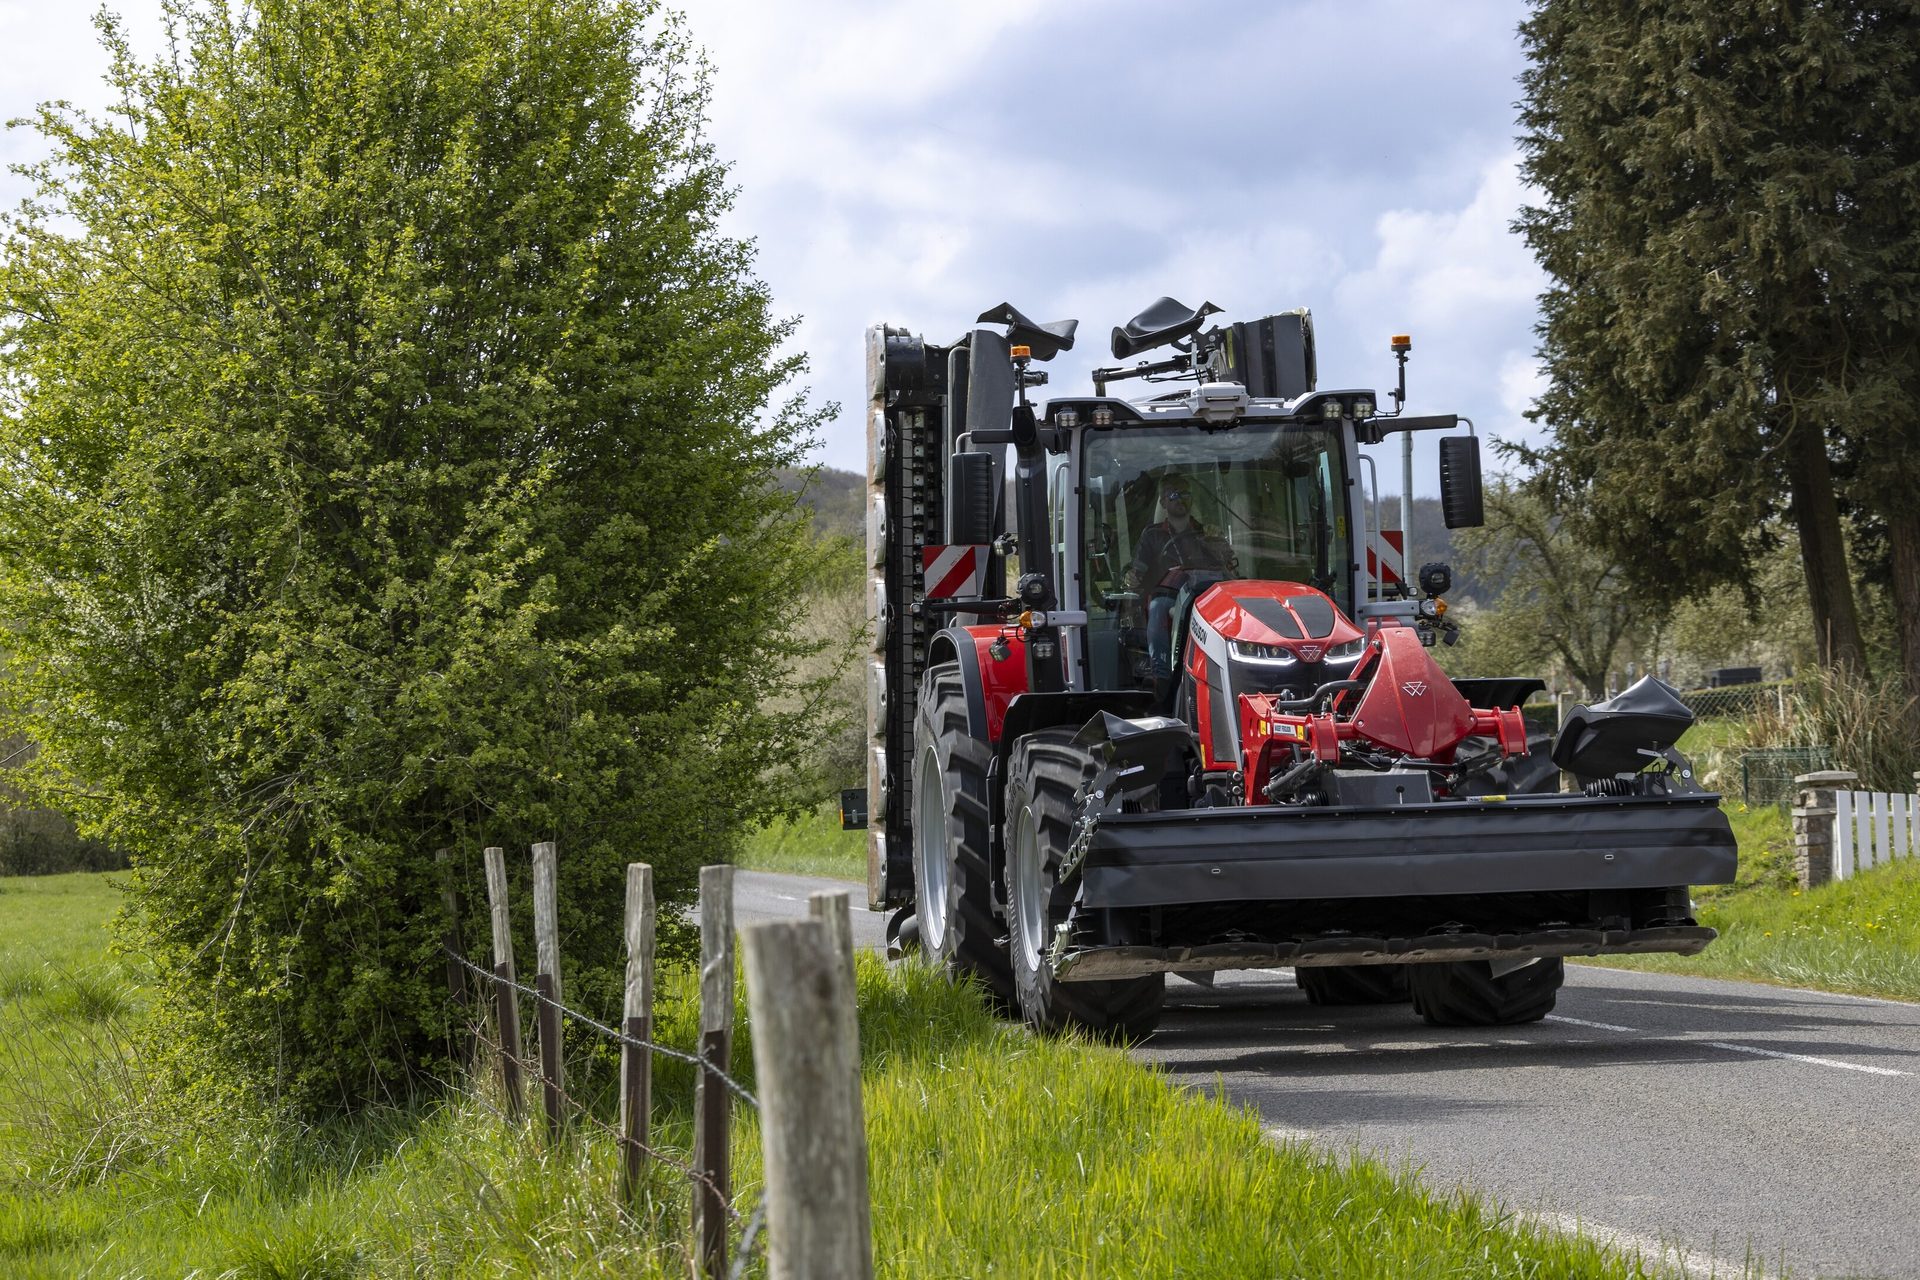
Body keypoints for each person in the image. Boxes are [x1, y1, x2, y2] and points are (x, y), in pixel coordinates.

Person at [1127, 475, 1229, 687]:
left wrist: (1216, 543)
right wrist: (1131, 578)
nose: (1181, 499)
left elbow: (1226, 566)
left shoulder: (1206, 533)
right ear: (1163, 502)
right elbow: (1137, 572)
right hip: (1168, 596)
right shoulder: (1152, 535)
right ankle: (1161, 673)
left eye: (1186, 494)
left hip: (1202, 595)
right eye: (1174, 495)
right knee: (1157, 607)